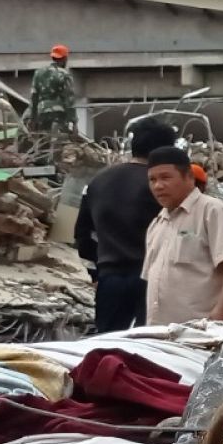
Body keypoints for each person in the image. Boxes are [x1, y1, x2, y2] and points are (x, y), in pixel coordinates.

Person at [74, 117, 178, 332]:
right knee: (149, 348)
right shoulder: (162, 187)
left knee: (107, 346)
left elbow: (82, 236)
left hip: (110, 279)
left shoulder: (98, 182)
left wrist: (101, 265)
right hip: (153, 279)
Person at [142, 146, 223, 325]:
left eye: (166, 177)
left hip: (205, 333)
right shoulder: (157, 224)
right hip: (163, 334)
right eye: (152, 179)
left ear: (189, 177)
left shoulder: (212, 211)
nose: (158, 186)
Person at [27, 44, 76, 158]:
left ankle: (41, 162)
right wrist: (74, 122)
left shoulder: (38, 73)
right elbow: (69, 99)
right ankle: (54, 164)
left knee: (43, 140)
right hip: (58, 113)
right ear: (64, 59)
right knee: (58, 141)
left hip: (41, 111)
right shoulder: (64, 74)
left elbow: (34, 97)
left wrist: (32, 118)